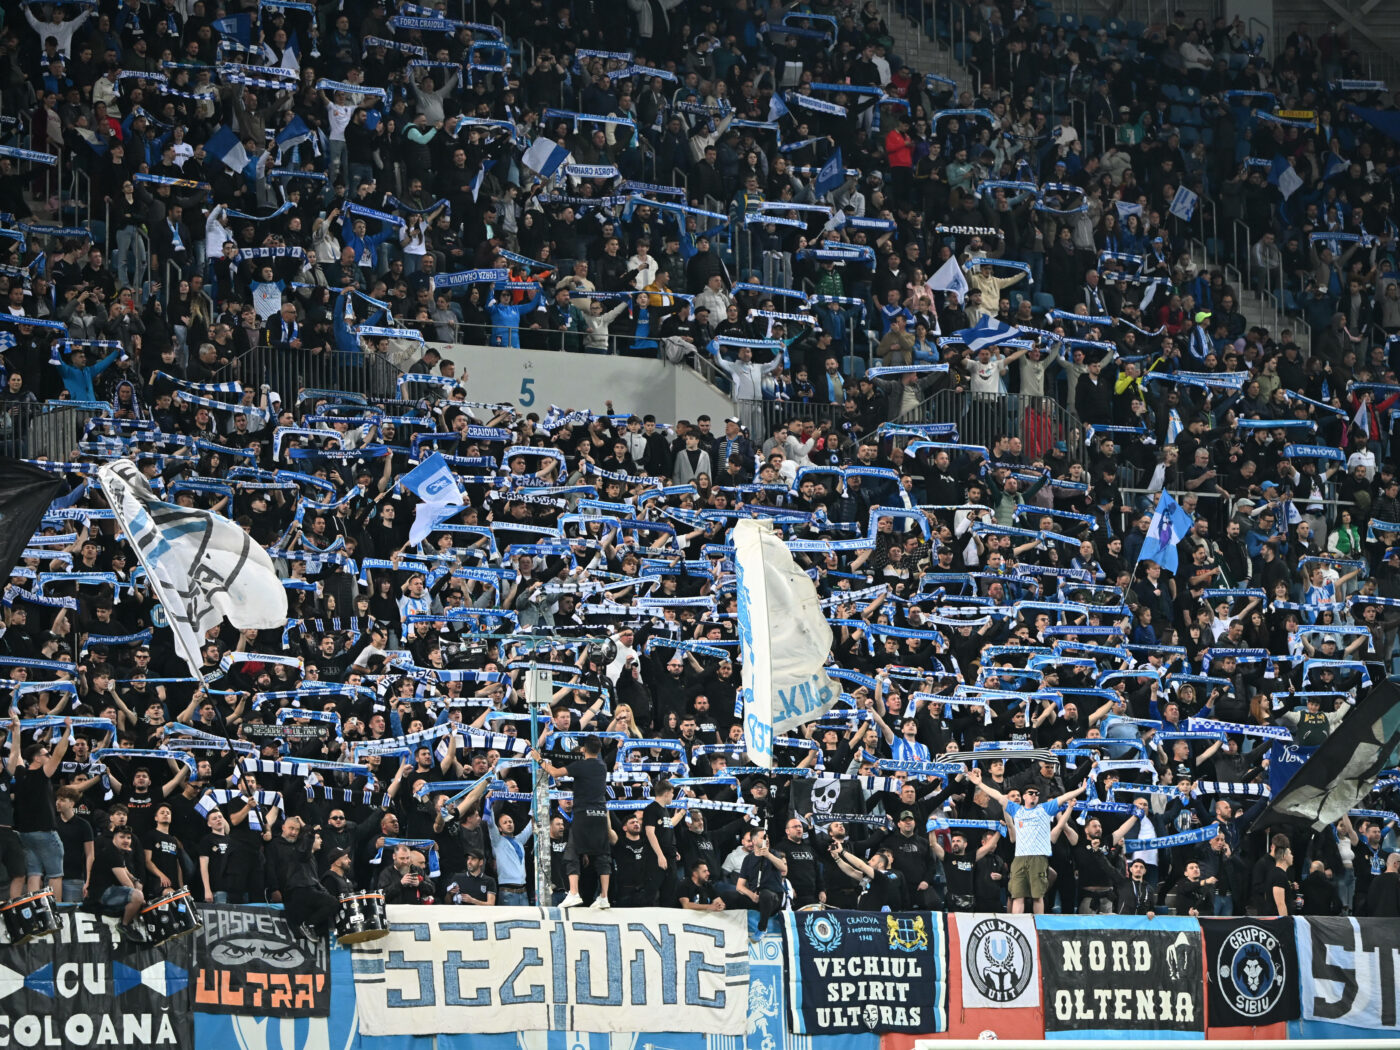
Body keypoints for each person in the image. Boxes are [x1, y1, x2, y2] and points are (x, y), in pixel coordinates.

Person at [971, 770, 1087, 914]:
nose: (1034, 795)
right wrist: (980, 783)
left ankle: (1038, 925)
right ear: (1024, 796)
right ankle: (1016, 924)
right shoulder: (1017, 810)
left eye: (1037, 794)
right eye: (1031, 793)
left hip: (1038, 857)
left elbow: (1063, 797)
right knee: (1017, 896)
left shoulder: (1044, 809)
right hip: (1019, 858)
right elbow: (998, 796)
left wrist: (1081, 790)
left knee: (1038, 897)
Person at [538, 737, 612, 909]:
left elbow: (555, 772)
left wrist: (539, 759)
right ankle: (604, 897)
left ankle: (573, 893)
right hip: (601, 814)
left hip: (583, 814)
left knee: (572, 852)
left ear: (583, 749)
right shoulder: (602, 766)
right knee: (602, 855)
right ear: (599, 750)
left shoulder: (580, 766)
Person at [87, 826, 147, 942]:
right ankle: (124, 925)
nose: (126, 840)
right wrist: (140, 897)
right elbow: (126, 882)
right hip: (100, 895)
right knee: (137, 896)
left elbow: (125, 870)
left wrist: (136, 881)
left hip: (109, 890)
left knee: (137, 893)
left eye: (128, 838)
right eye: (122, 837)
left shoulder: (117, 851)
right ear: (114, 838)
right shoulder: (111, 853)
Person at [736, 829, 787, 933]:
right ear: (754, 841)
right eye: (763, 838)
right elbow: (739, 886)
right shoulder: (748, 859)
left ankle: (762, 928)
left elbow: (783, 868)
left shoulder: (774, 853)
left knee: (765, 894)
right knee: (728, 896)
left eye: (767, 837)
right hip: (756, 898)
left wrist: (768, 855)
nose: (767, 839)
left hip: (774, 898)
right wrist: (751, 895)